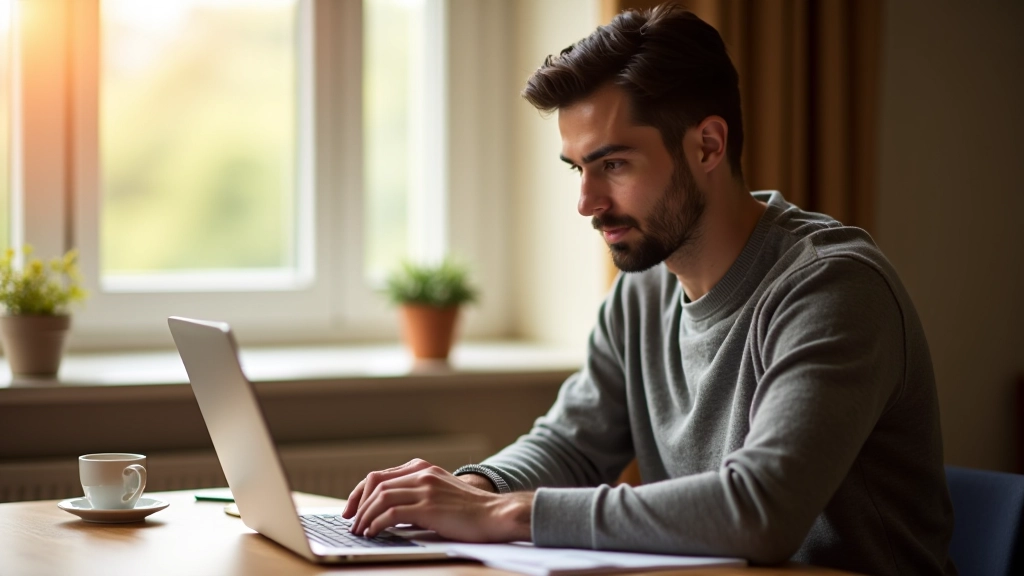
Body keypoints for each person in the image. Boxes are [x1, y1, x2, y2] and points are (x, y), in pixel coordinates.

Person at [342, 5, 955, 574]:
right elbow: (572, 444)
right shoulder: (642, 292)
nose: (586, 203)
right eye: (578, 169)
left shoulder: (832, 288)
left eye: (613, 164)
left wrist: (507, 515)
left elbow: (762, 511)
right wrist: (475, 488)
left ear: (708, 145)